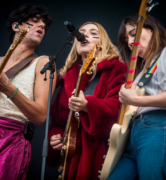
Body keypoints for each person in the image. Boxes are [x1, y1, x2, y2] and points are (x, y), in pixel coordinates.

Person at [46, 22, 128, 180]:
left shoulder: (117, 68)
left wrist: (88, 106)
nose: (84, 35)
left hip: (100, 156)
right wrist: (56, 137)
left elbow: (120, 111)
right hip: (70, 162)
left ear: (102, 43)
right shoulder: (68, 77)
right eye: (81, 32)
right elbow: (57, 121)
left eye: (93, 33)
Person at [0, 5, 56, 180]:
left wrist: (9, 89)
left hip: (11, 140)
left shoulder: (44, 64)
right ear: (16, 26)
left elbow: (41, 116)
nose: (41, 27)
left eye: (43, 26)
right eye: (35, 22)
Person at [108, 14, 166, 180]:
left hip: (157, 127)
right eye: (126, 38)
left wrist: (136, 100)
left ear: (151, 30)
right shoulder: (143, 71)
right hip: (133, 137)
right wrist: (119, 139)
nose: (130, 42)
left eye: (133, 33)